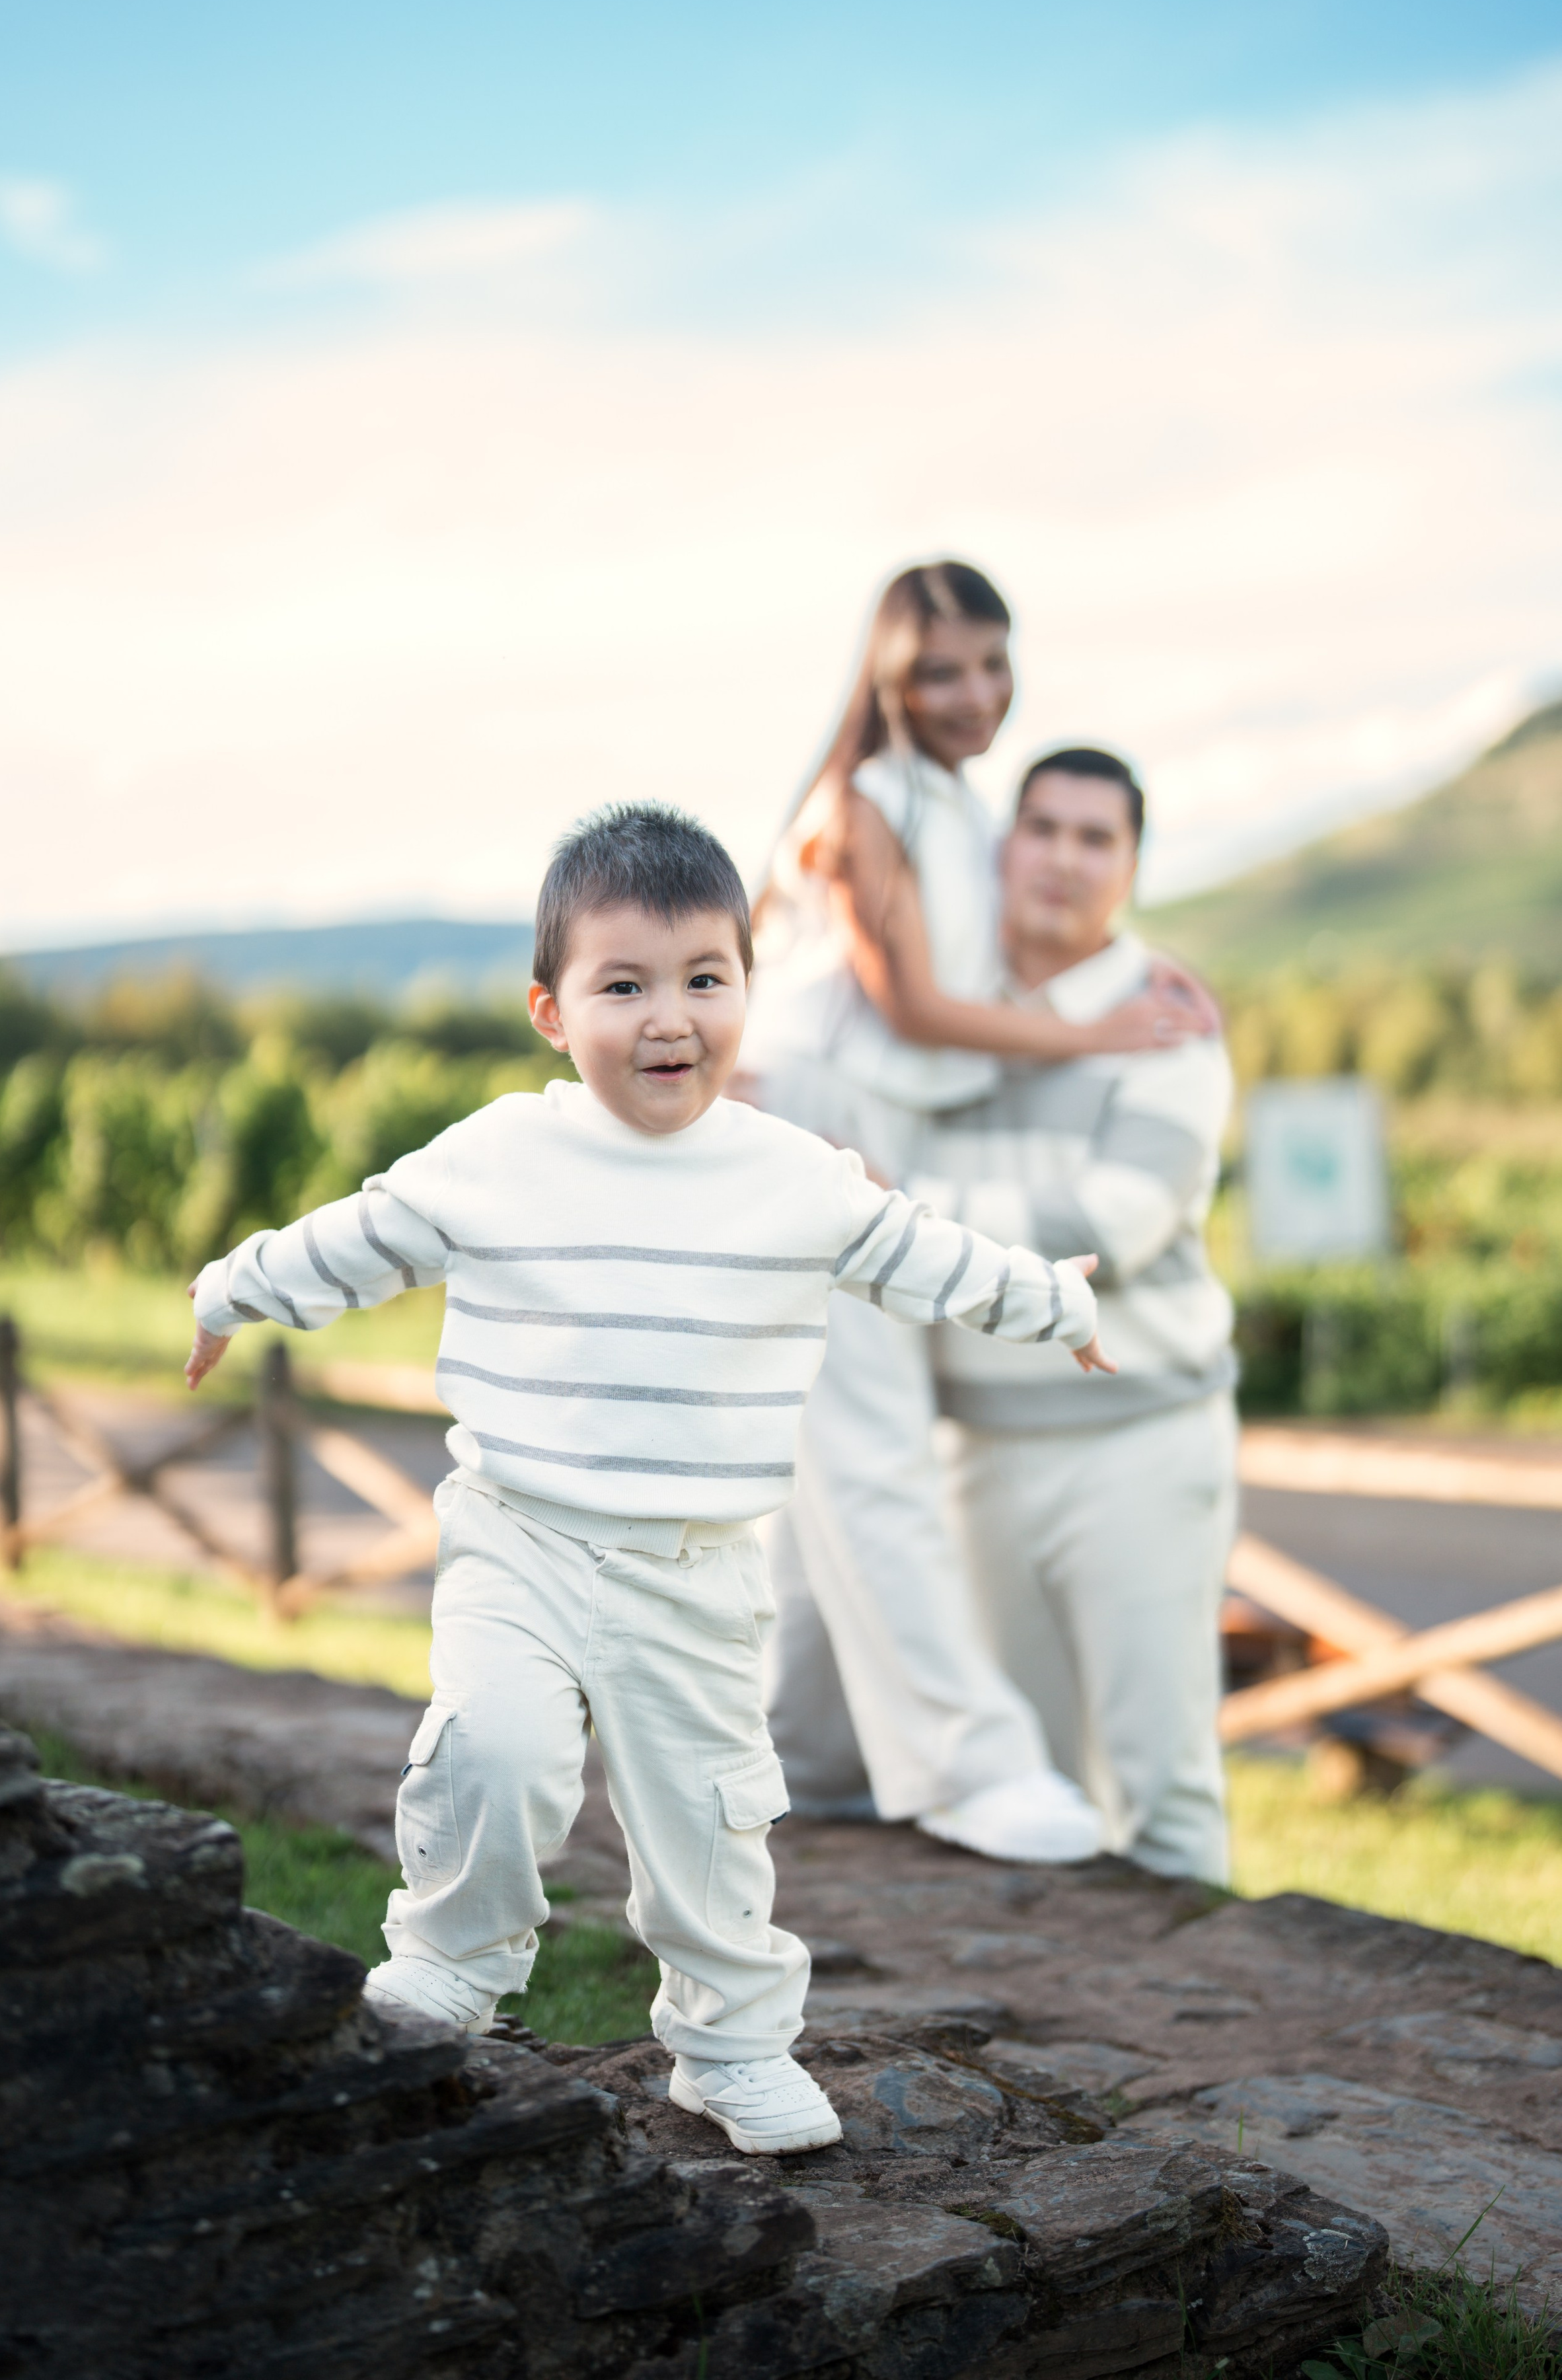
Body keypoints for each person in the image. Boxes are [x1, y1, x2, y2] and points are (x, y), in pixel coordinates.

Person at [184, 801, 1112, 2159]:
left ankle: (730, 2043)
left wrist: (1048, 1302)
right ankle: (451, 1965)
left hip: (697, 1565)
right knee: (488, 1750)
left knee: (708, 1818)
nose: (667, 1016)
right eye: (622, 985)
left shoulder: (793, 1175)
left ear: (744, 988)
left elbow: (923, 1254)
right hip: (520, 1539)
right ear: (551, 1011)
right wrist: (232, 1287)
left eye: (702, 979)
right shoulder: (499, 1155)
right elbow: (362, 1235)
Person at [739, 562, 1213, 1861]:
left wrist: (1124, 976)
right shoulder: (866, 802)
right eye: (939, 670)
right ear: (885, 674)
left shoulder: (948, 803)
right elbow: (911, 1012)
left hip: (860, 1119)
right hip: (821, 1115)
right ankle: (961, 1758)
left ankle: (804, 1755)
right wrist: (1101, 1028)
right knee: (869, 1440)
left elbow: (980, 984)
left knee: (831, 1449)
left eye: (991, 665)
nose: (973, 696)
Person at [920, 748, 1238, 1883]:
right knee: (1029, 1789)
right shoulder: (938, 1004)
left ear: (1134, 863)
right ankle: (1072, 2063)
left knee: (1163, 1783)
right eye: (1042, 828)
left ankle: (1214, 2051)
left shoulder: (1168, 1023)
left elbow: (1106, 1228)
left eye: (1095, 837)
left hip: (1137, 1445)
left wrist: (892, 1210)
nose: (1062, 858)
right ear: (1006, 845)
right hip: (975, 1450)